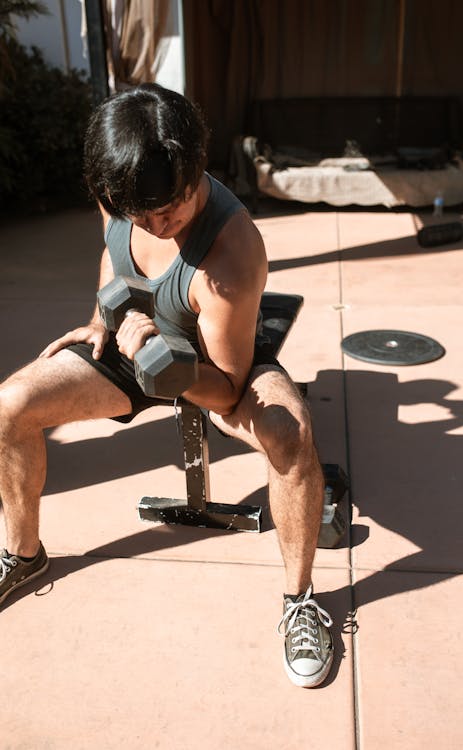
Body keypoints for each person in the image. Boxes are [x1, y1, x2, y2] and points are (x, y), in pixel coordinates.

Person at [0, 84, 333, 688]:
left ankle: (300, 600)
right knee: (9, 406)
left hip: (215, 362)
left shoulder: (232, 250)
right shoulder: (120, 189)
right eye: (140, 214)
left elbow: (229, 391)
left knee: (291, 434)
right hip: (135, 346)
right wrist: (103, 317)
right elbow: (112, 247)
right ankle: (24, 555)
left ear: (196, 169)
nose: (156, 224)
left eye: (170, 210)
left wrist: (172, 365)